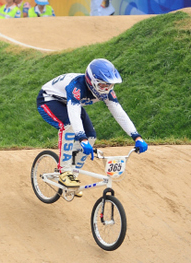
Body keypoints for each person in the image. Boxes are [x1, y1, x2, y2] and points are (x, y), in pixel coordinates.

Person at [37, 58, 148, 190]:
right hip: (49, 100)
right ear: (91, 81)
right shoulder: (77, 87)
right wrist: (81, 138)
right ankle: (65, 172)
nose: (106, 89)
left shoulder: (106, 92)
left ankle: (73, 174)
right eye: (102, 85)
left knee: (91, 136)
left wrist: (136, 136)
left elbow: (119, 113)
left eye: (110, 85)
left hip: (69, 103)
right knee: (69, 126)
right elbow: (73, 112)